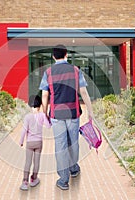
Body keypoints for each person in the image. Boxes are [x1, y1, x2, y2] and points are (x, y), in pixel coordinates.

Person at [39, 44, 94, 190]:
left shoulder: (48, 72)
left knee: (61, 145)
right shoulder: (76, 71)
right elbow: (84, 92)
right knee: (73, 143)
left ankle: (63, 180)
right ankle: (74, 168)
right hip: (73, 112)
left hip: (57, 114)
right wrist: (90, 111)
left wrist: (45, 113)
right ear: (66, 55)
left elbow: (45, 94)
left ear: (53, 57)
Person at [19, 95, 51, 191]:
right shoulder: (42, 115)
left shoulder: (27, 117)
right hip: (39, 143)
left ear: (29, 105)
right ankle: (34, 179)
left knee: (28, 162)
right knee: (36, 162)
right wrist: (48, 119)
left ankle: (25, 182)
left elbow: (24, 130)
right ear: (40, 105)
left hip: (29, 143)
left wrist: (21, 141)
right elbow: (48, 126)